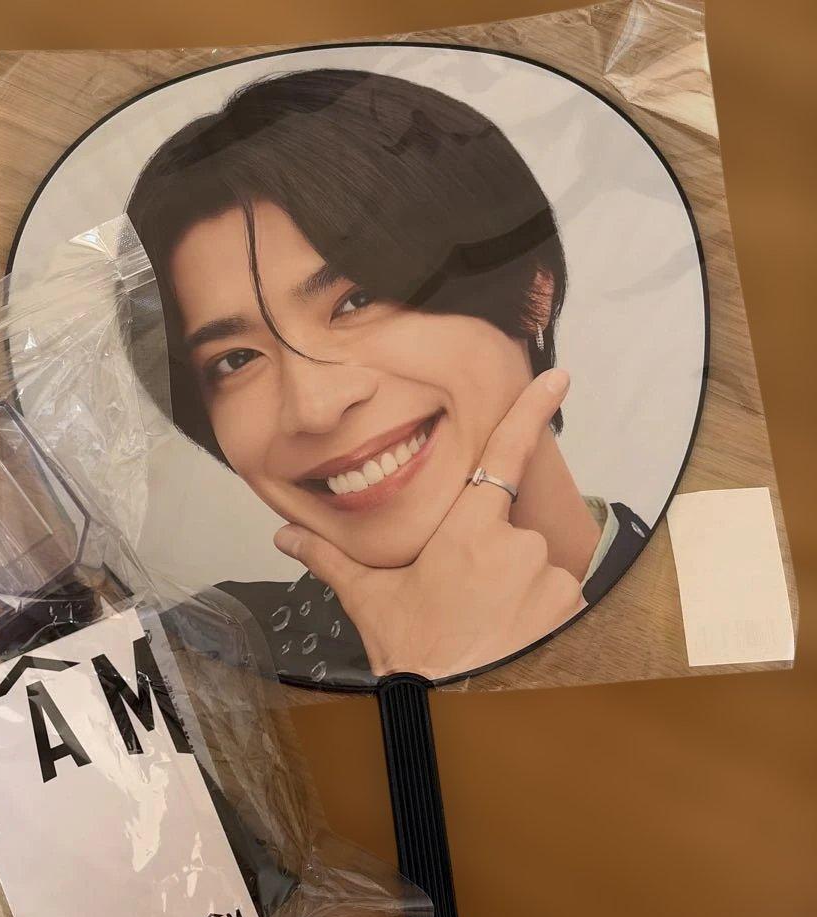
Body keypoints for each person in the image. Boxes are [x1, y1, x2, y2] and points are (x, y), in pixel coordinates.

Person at [126, 68, 649, 685]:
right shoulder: (182, 660)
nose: (314, 406)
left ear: (534, 289)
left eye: (357, 300)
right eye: (235, 360)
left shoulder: (715, 578)